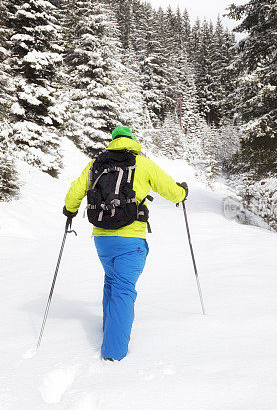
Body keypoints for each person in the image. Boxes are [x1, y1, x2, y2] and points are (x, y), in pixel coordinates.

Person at [63, 125, 188, 361]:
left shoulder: (96, 164)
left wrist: (69, 210)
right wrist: (182, 193)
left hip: (102, 238)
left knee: (111, 281)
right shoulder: (142, 163)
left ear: (113, 141)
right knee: (123, 290)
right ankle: (113, 352)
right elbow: (171, 191)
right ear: (132, 141)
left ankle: (110, 330)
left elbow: (75, 191)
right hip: (131, 238)